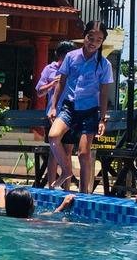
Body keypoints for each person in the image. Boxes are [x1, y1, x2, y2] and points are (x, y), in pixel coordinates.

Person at [48, 21, 115, 194]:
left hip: (89, 111)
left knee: (84, 154)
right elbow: (61, 82)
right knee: (53, 136)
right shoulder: (71, 57)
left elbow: (104, 92)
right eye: (90, 37)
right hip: (69, 107)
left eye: (98, 39)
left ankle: (84, 193)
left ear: (102, 42)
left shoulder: (104, 64)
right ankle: (67, 170)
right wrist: (53, 106)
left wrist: (102, 118)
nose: (93, 42)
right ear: (84, 36)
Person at [36, 41, 78, 189]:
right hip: (53, 115)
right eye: (67, 56)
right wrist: (52, 84)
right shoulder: (50, 69)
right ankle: (51, 186)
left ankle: (66, 188)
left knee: (68, 150)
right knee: (54, 151)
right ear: (60, 56)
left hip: (70, 113)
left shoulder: (74, 70)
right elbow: (39, 92)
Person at [0, 185, 76, 220]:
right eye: (32, 201)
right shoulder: (30, 221)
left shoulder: (3, 215)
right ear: (29, 207)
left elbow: (48, 214)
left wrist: (62, 206)